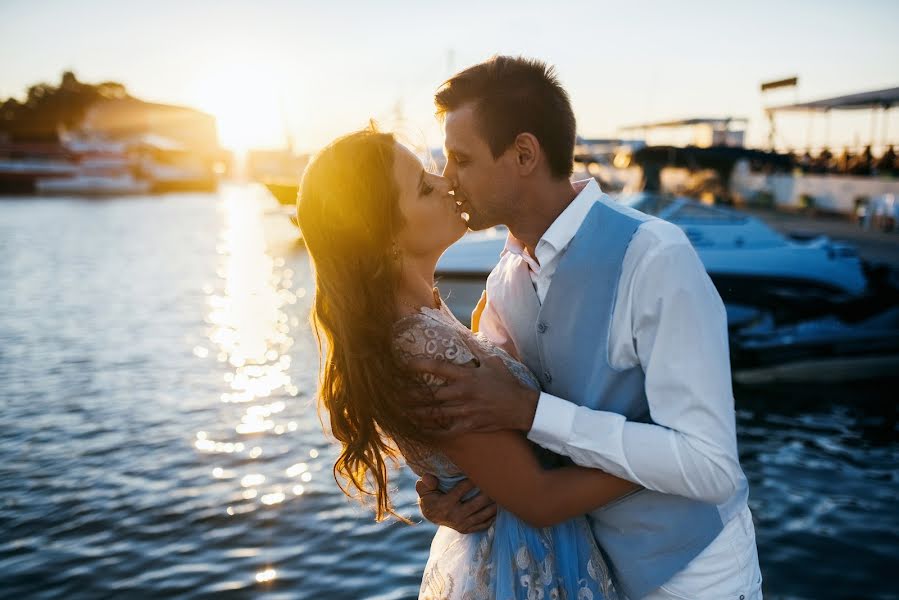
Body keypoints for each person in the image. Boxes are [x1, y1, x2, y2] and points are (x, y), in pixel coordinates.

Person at [410, 56, 763, 599]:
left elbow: (711, 466)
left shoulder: (655, 257)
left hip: (700, 575)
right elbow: (503, 433)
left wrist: (534, 413)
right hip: (590, 574)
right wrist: (446, 492)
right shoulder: (504, 281)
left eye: (460, 159)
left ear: (524, 154)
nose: (445, 178)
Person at [297, 126, 641, 599]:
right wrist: (665, 456)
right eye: (422, 186)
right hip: (526, 569)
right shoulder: (421, 349)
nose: (444, 183)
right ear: (382, 236)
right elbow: (538, 498)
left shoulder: (427, 319)